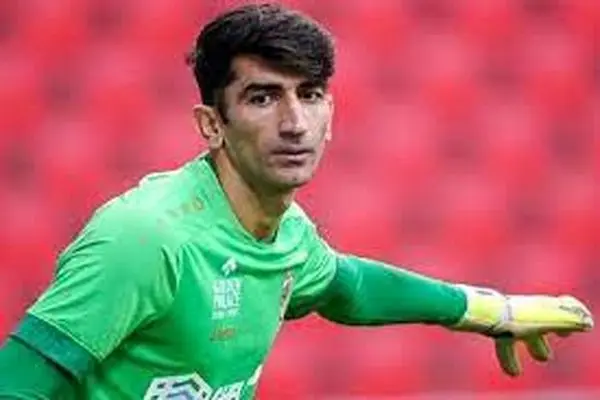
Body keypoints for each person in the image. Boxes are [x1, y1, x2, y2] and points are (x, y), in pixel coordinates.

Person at [0, 3, 594, 399]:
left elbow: (347, 287)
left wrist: (491, 312)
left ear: (330, 112)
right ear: (211, 125)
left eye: (309, 95)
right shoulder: (146, 240)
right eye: (262, 98)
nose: (294, 123)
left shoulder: (288, 236)